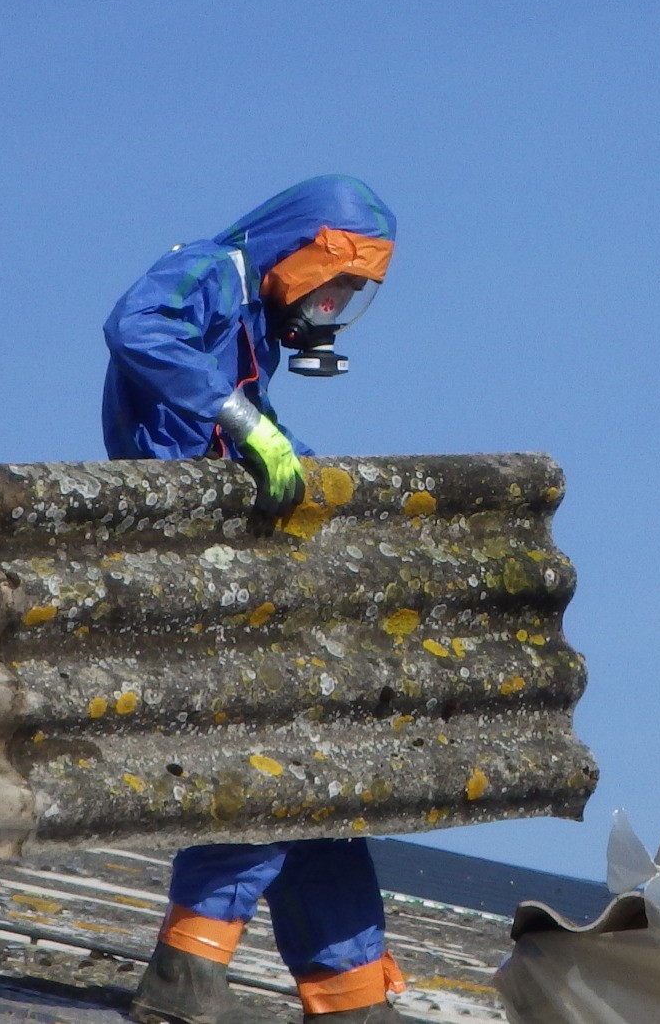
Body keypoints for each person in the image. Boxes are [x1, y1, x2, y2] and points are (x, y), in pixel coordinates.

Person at [103, 175, 403, 1024]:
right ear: (297, 247)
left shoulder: (250, 329)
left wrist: (299, 459)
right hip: (187, 550)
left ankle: (351, 993)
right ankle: (187, 971)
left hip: (230, 554)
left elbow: (257, 423)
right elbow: (136, 327)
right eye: (333, 279)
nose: (334, 302)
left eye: (350, 292)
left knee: (323, 769)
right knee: (272, 756)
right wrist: (244, 420)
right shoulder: (208, 271)